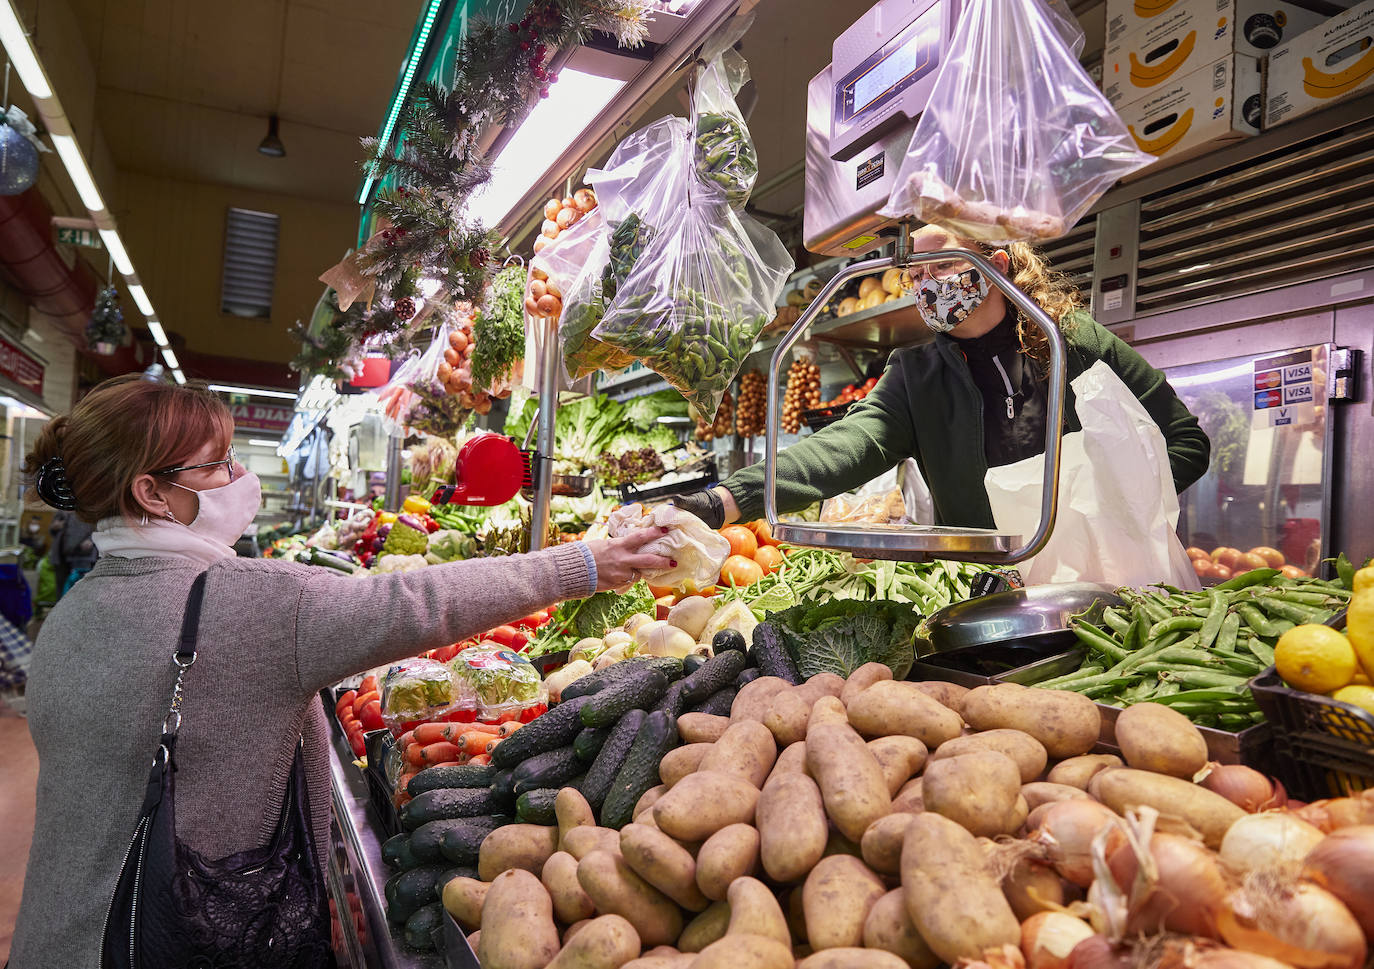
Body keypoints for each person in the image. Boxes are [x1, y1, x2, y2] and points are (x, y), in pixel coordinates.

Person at [9, 373, 671, 969]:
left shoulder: (72, 613)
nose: (241, 475)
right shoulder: (245, 599)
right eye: (219, 465)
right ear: (151, 492)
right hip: (181, 937)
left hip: (58, 935)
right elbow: (418, 603)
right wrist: (585, 564)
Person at [675, 225, 1211, 530]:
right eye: (915, 274)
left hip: (1097, 577)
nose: (926, 286)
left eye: (942, 267)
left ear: (997, 264)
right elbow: (845, 446)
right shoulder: (915, 374)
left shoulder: (1072, 341)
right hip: (985, 585)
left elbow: (1185, 442)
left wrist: (1098, 511)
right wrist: (725, 500)